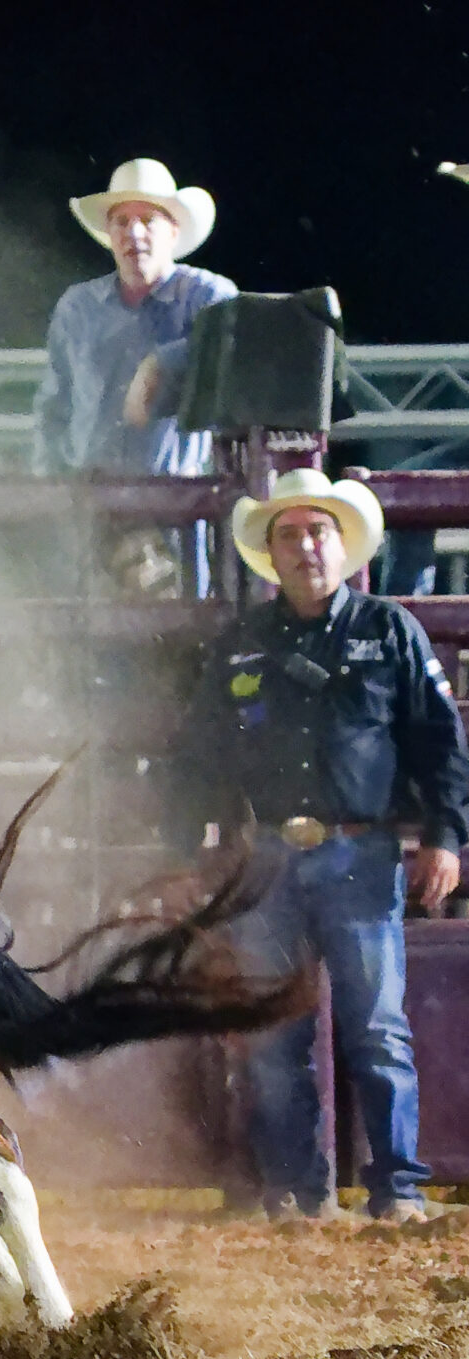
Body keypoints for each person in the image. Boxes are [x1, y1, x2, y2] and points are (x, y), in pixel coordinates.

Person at [171, 468, 467, 1223]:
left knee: (376, 1027)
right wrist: (189, 851)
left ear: (343, 545)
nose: (306, 546)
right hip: (268, 858)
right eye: (291, 534)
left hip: (360, 853)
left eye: (318, 531)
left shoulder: (388, 630)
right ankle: (298, 1194)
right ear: (272, 553)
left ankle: (396, 1188)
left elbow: (439, 740)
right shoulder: (241, 645)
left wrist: (444, 835)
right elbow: (200, 757)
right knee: (275, 1037)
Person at [33, 159, 237, 478]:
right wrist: (49, 483)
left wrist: (163, 362)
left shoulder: (209, 297)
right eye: (122, 221)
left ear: (173, 231)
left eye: (147, 219)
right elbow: (55, 405)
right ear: (110, 234)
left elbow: (238, 351)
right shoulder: (78, 306)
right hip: (90, 495)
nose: (134, 232)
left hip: (177, 500)